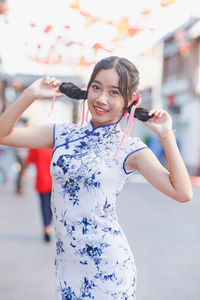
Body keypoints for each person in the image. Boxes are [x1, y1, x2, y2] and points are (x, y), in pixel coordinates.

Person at [0, 56, 192, 299]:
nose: (101, 99)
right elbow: (3, 135)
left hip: (108, 269)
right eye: (96, 87)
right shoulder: (63, 134)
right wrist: (31, 93)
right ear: (87, 89)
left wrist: (167, 135)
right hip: (67, 266)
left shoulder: (130, 149)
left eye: (114, 92)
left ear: (129, 100)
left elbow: (183, 193)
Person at [25, 148, 53, 242]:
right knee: (53, 207)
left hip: (42, 181)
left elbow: (29, 160)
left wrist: (24, 172)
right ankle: (49, 225)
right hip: (56, 182)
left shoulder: (37, 147)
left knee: (44, 206)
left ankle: (47, 228)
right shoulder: (57, 145)